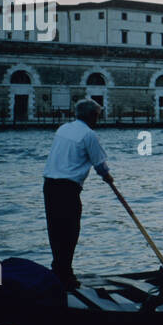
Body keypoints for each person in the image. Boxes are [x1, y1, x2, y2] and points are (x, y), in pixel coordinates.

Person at [43, 99, 112, 289]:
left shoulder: (63, 128)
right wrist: (109, 178)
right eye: (98, 115)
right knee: (70, 231)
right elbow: (100, 165)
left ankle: (59, 269)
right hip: (67, 188)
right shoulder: (89, 135)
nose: (98, 119)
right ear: (92, 116)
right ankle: (64, 274)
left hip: (49, 185)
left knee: (55, 229)